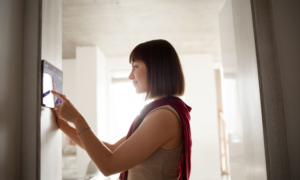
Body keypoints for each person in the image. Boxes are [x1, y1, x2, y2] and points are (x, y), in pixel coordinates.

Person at [52, 39, 192, 180]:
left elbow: (109, 165)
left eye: (135, 67)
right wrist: (64, 126)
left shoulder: (164, 116)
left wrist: (77, 119)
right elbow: (111, 150)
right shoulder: (160, 113)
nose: (130, 75)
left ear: (156, 68)